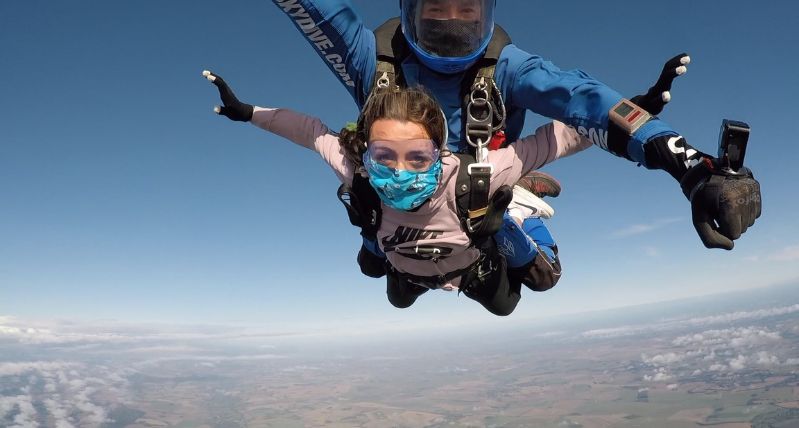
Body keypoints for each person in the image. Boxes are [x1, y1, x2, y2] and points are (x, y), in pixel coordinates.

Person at [270, 0, 761, 256]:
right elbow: (315, 9)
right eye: (437, 11)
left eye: (467, 12)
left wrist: (690, 164)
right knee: (382, 263)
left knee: (515, 280)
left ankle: (508, 197)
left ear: (486, 13)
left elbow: (583, 100)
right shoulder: (371, 57)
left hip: (477, 182)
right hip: (401, 195)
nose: (450, 24)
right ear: (410, 11)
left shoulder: (505, 67)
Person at [203, 71, 594, 315]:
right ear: (366, 151)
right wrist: (250, 112)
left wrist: (622, 120)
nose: (400, 172)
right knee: (384, 284)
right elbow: (309, 132)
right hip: (411, 263)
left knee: (530, 289)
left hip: (471, 259)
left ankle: (512, 210)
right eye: (384, 156)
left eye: (418, 158)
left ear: (440, 153)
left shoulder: (474, 177)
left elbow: (553, 142)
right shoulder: (359, 172)